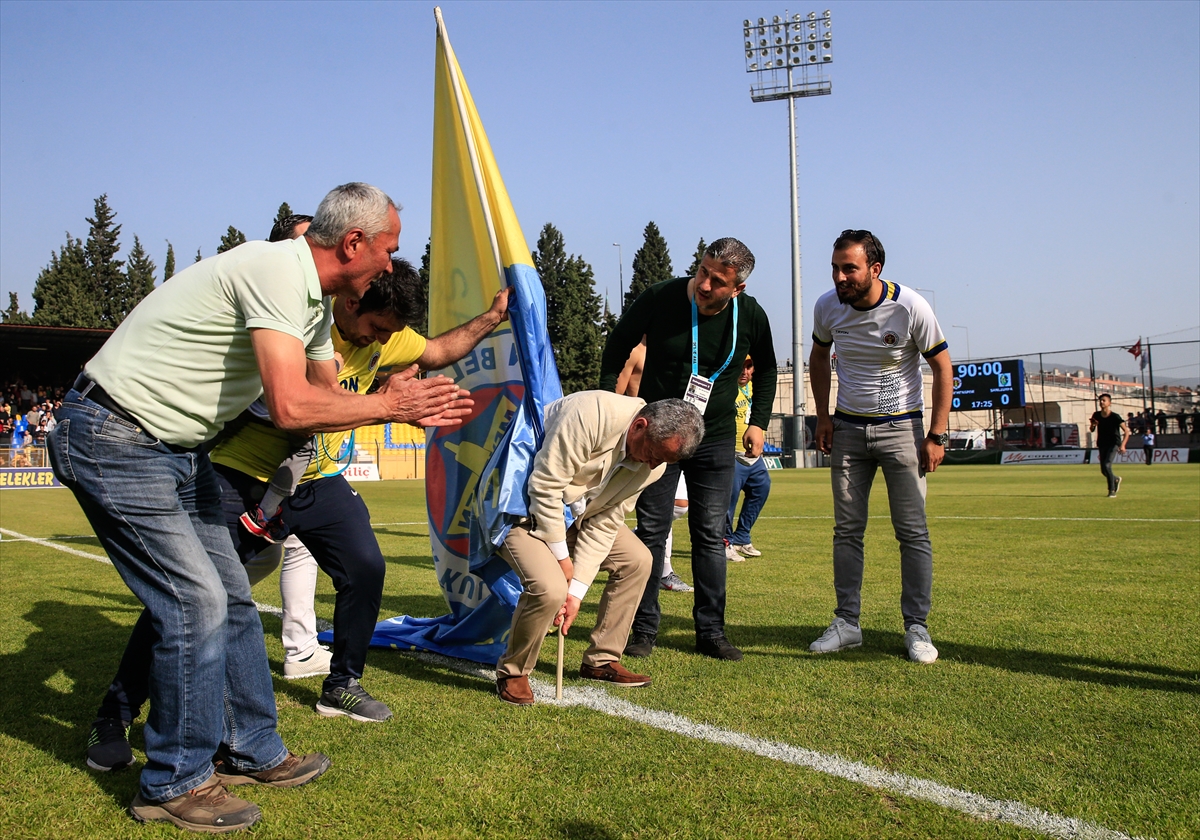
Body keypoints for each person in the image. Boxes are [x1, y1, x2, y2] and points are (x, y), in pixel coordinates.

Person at [51, 182, 472, 834]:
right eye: (387, 250)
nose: (391, 264)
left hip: (172, 449)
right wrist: (389, 405)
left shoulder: (311, 299)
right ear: (353, 243)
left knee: (232, 594)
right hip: (116, 435)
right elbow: (292, 408)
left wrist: (392, 403)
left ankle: (251, 748)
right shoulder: (280, 270)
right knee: (198, 602)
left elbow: (326, 392)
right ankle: (172, 782)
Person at [600, 237, 777, 662]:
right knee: (652, 532)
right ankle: (641, 629)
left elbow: (768, 367)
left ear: (738, 289)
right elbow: (617, 344)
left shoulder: (750, 315)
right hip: (661, 439)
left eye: (718, 281)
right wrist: (608, 403)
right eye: (702, 271)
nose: (703, 284)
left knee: (710, 535)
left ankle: (711, 632)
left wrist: (758, 421)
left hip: (714, 437)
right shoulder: (661, 296)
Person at [495, 394, 705, 705]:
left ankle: (602, 660)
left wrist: (577, 592)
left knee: (637, 560)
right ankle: (513, 671)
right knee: (551, 587)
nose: (651, 465)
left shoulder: (655, 464)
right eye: (650, 454)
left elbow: (606, 519)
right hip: (520, 508)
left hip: (578, 516)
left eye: (660, 461)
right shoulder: (589, 414)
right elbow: (544, 486)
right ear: (639, 425)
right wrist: (563, 560)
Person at [808, 229, 952, 665]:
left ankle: (917, 628)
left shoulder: (910, 307)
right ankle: (847, 624)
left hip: (903, 429)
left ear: (875, 268)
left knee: (912, 532)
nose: (839, 277)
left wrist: (937, 434)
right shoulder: (826, 307)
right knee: (847, 531)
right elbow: (818, 357)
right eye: (835, 267)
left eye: (849, 268)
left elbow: (943, 368)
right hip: (849, 430)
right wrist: (824, 415)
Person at [616, 338, 693, 593]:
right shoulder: (636, 350)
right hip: (644, 438)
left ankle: (658, 563)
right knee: (664, 510)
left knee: (678, 505)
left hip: (671, 437)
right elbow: (615, 394)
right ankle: (663, 570)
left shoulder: (681, 347)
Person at [725, 356, 771, 560]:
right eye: (741, 366)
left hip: (753, 456)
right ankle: (724, 542)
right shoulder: (724, 388)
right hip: (730, 453)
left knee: (761, 488)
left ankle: (742, 537)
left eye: (749, 366)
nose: (744, 371)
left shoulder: (756, 388)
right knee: (728, 502)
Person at [1090, 394, 1129, 497]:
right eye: (1100, 400)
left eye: (1104, 400)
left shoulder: (1115, 417)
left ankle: (1112, 490)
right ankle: (1115, 479)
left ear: (1109, 403)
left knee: (1107, 465)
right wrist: (1093, 425)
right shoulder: (1096, 415)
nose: (1101, 402)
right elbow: (1092, 429)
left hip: (1114, 443)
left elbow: (1126, 431)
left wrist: (1123, 445)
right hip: (1102, 443)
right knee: (1103, 470)